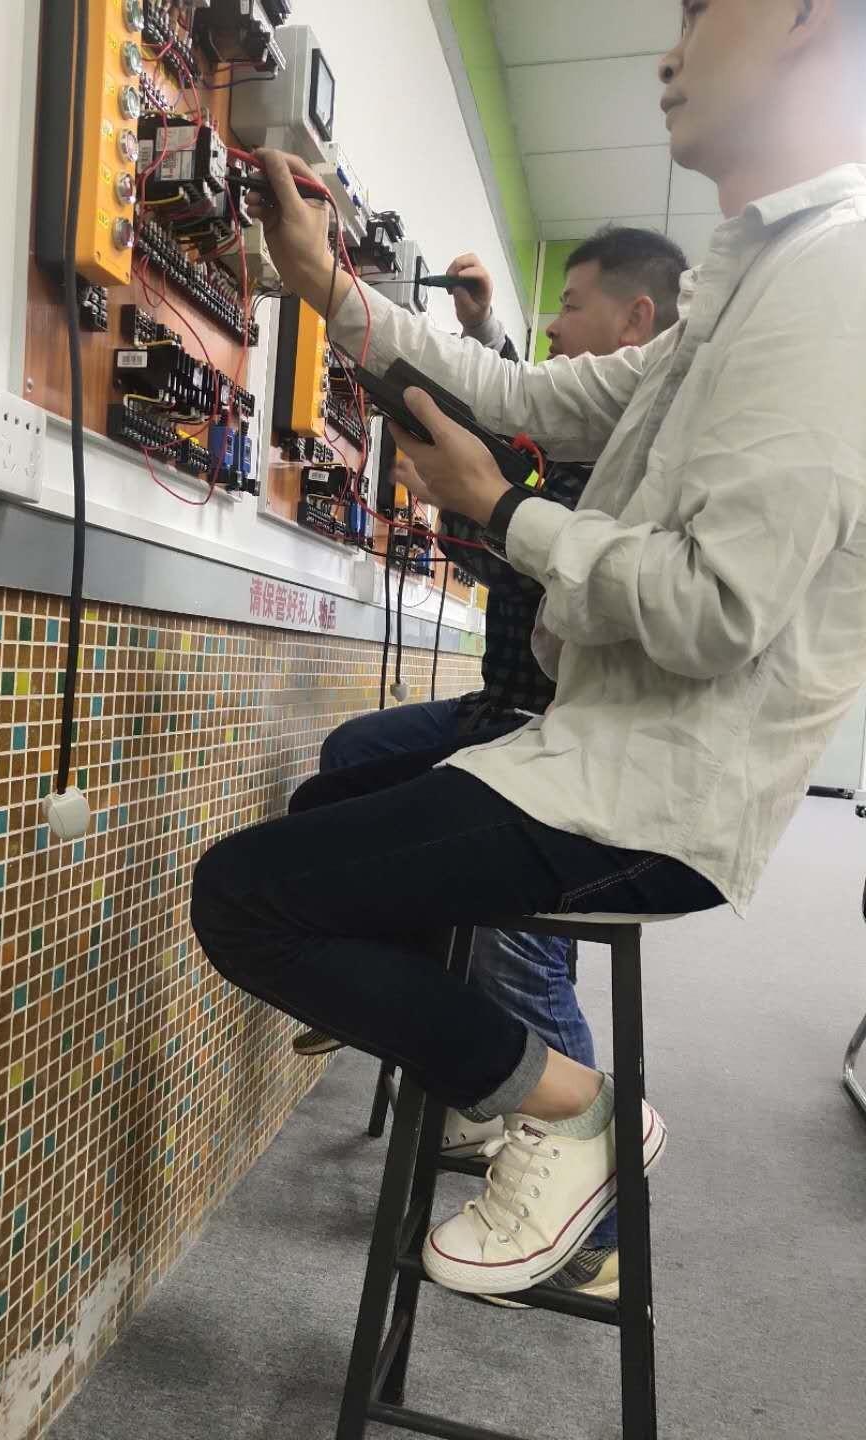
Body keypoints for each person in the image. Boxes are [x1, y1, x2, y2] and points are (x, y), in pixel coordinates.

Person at [192, 0, 866, 1300]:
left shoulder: (835, 283)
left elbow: (717, 608)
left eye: (699, 12)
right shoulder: (747, 291)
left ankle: (571, 1114)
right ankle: (512, 1083)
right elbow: (516, 395)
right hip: (592, 751)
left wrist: (502, 512)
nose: (670, 52)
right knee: (322, 831)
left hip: (653, 794)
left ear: (802, 20)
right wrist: (327, 282)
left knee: (249, 896)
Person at [291, 230, 688, 1303]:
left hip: (554, 736)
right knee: (349, 765)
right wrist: (472, 336)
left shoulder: (639, 451)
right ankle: (422, 997)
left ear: (636, 324)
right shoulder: (586, 428)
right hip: (499, 704)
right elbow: (514, 414)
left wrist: (477, 493)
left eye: (572, 307)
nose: (551, 328)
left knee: (516, 944)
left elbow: (523, 477)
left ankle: (593, 1215)